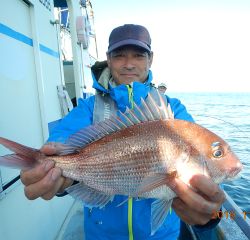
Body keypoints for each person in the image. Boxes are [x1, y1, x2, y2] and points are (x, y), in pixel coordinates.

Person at [20, 24, 225, 240]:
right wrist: (53, 167)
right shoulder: (89, 108)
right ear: (108, 60)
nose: (129, 64)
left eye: (138, 55)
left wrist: (210, 215)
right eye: (119, 56)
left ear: (150, 59)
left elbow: (198, 157)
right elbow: (63, 138)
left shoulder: (173, 110)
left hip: (161, 236)